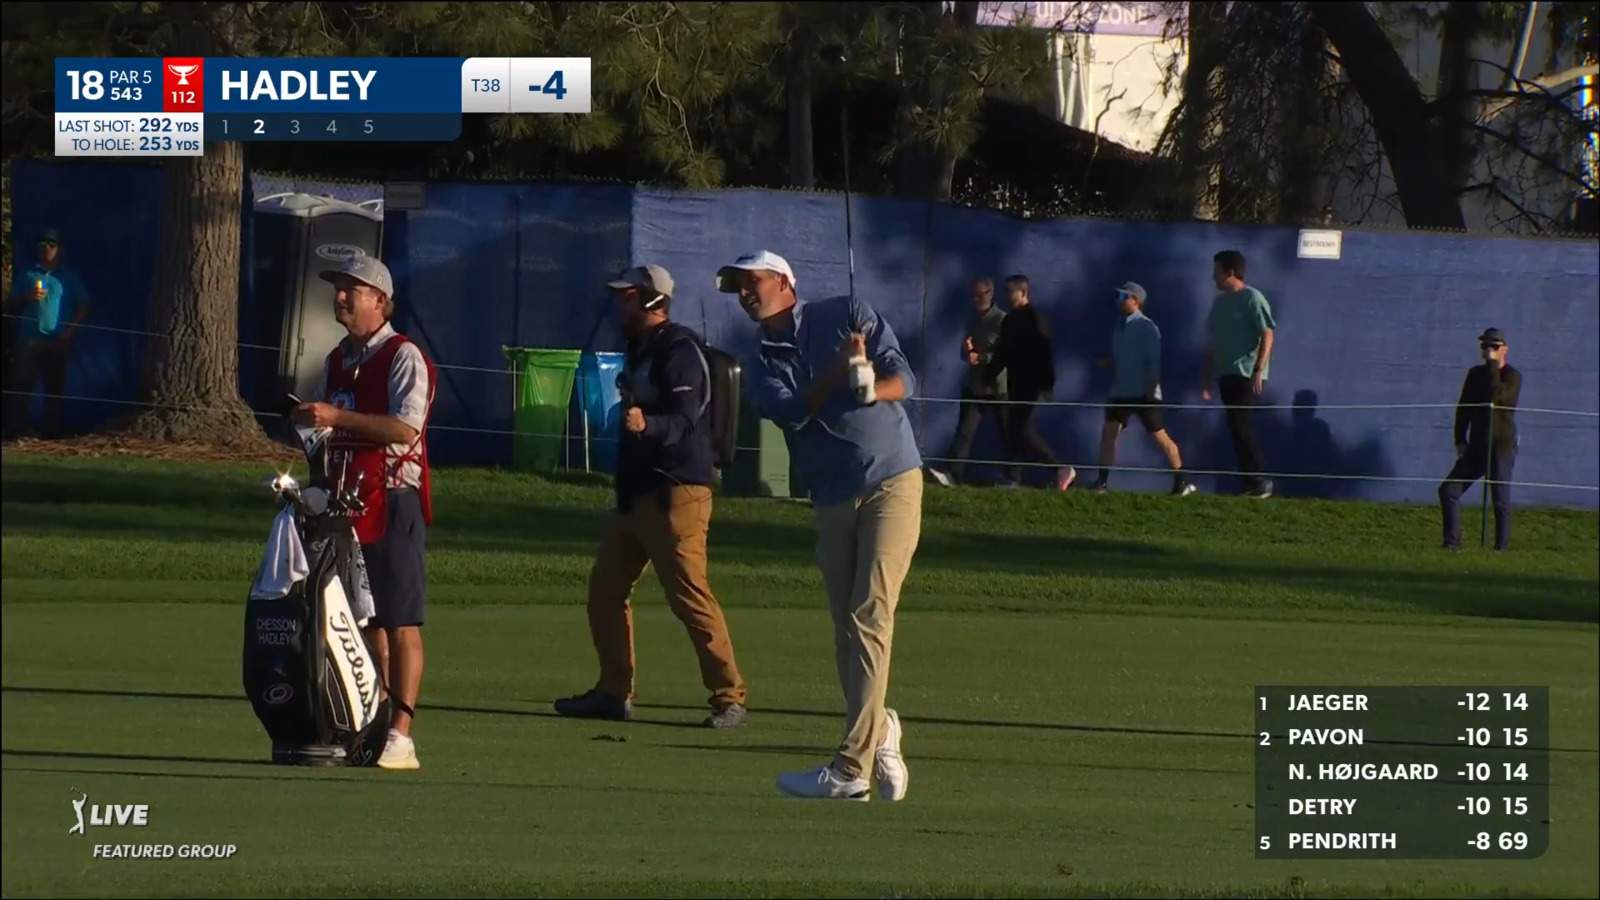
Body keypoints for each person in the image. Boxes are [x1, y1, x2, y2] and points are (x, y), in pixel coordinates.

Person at [718, 249, 919, 802]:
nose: (743, 293)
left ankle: (851, 769)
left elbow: (905, 376)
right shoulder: (759, 361)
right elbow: (794, 412)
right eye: (737, 286)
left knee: (870, 613)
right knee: (845, 625)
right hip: (831, 494)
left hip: (892, 478)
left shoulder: (848, 312)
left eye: (751, 282)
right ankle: (881, 726)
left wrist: (870, 386)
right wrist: (836, 373)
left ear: (783, 281)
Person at [554, 264, 749, 729]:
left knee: (688, 595)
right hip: (637, 493)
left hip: (677, 491)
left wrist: (648, 425)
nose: (618, 305)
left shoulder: (679, 349)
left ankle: (729, 696)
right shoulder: (638, 347)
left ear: (649, 300)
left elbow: (687, 417)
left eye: (626, 297)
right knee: (605, 591)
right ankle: (613, 691)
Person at [292, 256, 435, 771]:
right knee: (364, 619)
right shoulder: (338, 359)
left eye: (353, 289)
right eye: (337, 289)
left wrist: (336, 416)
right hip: (346, 500)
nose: (341, 297)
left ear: (381, 300)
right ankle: (372, 720)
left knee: (400, 620)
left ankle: (402, 734)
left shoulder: (403, 355)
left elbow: (405, 430)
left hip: (393, 499)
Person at [1087, 282, 1195, 496]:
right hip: (1121, 392)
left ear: (1136, 300)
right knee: (1109, 433)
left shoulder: (1147, 327)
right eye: (1118, 295)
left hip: (1145, 393)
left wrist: (1150, 389)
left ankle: (1182, 482)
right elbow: (1122, 358)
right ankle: (1102, 483)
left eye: (1123, 296)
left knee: (1160, 437)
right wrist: (1107, 362)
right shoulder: (1119, 327)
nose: (1119, 299)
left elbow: (1153, 362)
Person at [987, 274, 1075, 490]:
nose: (1007, 296)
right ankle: (1013, 478)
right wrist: (988, 376)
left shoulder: (1035, 319)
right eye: (1006, 291)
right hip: (1015, 382)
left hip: (1031, 383)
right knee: (1014, 429)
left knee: (1022, 428)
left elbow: (1045, 353)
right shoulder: (1010, 320)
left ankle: (1059, 468)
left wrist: (1047, 384)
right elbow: (1002, 354)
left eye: (1011, 292)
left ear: (1023, 292)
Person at [1202, 250, 1276, 499]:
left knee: (1241, 425)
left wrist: (1258, 369)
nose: (1214, 277)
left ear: (1230, 272)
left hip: (1245, 373)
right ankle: (1249, 482)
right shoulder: (1219, 303)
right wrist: (1207, 377)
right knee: (1235, 427)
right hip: (1227, 373)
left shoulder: (1252, 298)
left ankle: (1260, 480)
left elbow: (1267, 333)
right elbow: (1213, 342)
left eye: (1217, 271)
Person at [4, 227, 92, 439]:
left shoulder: (68, 278)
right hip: (29, 340)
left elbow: (84, 306)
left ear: (59, 249)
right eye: (43, 244)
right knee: (22, 385)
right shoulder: (28, 275)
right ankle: (17, 430)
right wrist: (27, 296)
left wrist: (69, 332)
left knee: (55, 387)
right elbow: (11, 304)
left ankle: (50, 431)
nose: (47, 248)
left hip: (57, 340)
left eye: (51, 245)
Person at [1439, 328, 1521, 552]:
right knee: (1448, 491)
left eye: (1493, 347)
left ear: (1504, 349)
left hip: (1501, 445)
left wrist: (1494, 367)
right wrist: (1459, 439)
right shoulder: (1474, 374)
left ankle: (1501, 549)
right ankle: (1452, 543)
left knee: (1500, 498)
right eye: (1485, 346)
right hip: (1476, 445)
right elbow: (1463, 408)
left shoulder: (1513, 376)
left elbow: (1497, 395)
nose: (1488, 351)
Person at [927, 276, 1009, 486]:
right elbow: (966, 355)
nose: (975, 300)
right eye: (973, 296)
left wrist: (981, 357)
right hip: (976, 385)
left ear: (990, 294)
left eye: (979, 295)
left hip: (999, 387)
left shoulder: (1002, 320)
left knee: (1009, 434)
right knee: (964, 431)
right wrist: (967, 352)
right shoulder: (972, 320)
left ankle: (1014, 479)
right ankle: (953, 475)